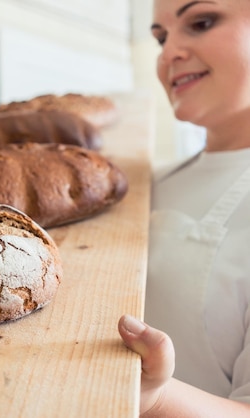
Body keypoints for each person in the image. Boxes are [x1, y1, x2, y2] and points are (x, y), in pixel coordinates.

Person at [117, 0, 250, 416]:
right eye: (161, 37)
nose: (168, 53)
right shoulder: (139, 181)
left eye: (201, 22)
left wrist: (155, 397)